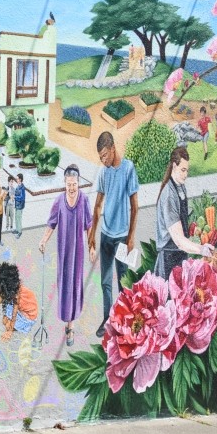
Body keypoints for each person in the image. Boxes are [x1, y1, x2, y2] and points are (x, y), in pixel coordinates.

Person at [86, 131, 139, 339]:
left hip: (122, 237)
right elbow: (98, 205)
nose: (103, 160)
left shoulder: (128, 169)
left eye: (105, 155)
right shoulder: (103, 173)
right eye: (100, 157)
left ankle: (126, 321)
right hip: (106, 236)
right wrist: (92, 234)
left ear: (113, 148)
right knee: (105, 281)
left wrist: (131, 237)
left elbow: (135, 207)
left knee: (123, 281)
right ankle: (108, 319)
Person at [39, 164, 94, 347]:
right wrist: (44, 240)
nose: (71, 188)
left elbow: (89, 226)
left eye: (74, 184)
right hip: (64, 251)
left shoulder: (84, 200)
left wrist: (91, 247)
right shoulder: (59, 201)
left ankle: (71, 325)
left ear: (78, 183)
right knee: (64, 284)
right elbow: (51, 224)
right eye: (69, 184)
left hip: (77, 252)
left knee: (75, 284)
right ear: (65, 183)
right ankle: (67, 322)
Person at [154, 146, 213, 280]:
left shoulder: (181, 187)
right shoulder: (169, 196)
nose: (186, 175)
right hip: (168, 257)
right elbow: (179, 240)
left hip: (180, 254)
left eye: (187, 170)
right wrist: (201, 249)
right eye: (183, 170)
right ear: (174, 166)